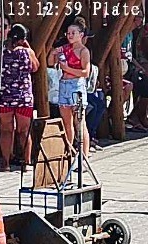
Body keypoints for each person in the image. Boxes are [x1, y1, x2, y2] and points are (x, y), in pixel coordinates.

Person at [0, 23, 38, 170]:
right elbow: (35, 67)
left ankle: (6, 163)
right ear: (23, 38)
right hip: (24, 97)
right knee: (24, 131)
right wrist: (28, 46)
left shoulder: (1, 52)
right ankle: (26, 162)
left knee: (6, 130)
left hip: (5, 96)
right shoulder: (27, 52)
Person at [54, 19, 93, 157]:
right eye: (68, 33)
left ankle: (84, 155)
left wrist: (68, 69)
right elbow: (49, 62)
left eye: (73, 33)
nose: (70, 35)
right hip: (64, 84)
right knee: (66, 123)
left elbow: (85, 72)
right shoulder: (64, 48)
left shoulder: (84, 51)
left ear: (81, 35)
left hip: (76, 85)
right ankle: (68, 153)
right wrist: (54, 54)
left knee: (80, 122)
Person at [121, 25, 148, 132]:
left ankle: (136, 116)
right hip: (122, 70)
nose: (139, 21)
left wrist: (142, 70)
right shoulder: (121, 33)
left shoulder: (131, 34)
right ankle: (113, 117)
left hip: (130, 68)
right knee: (132, 85)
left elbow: (130, 56)